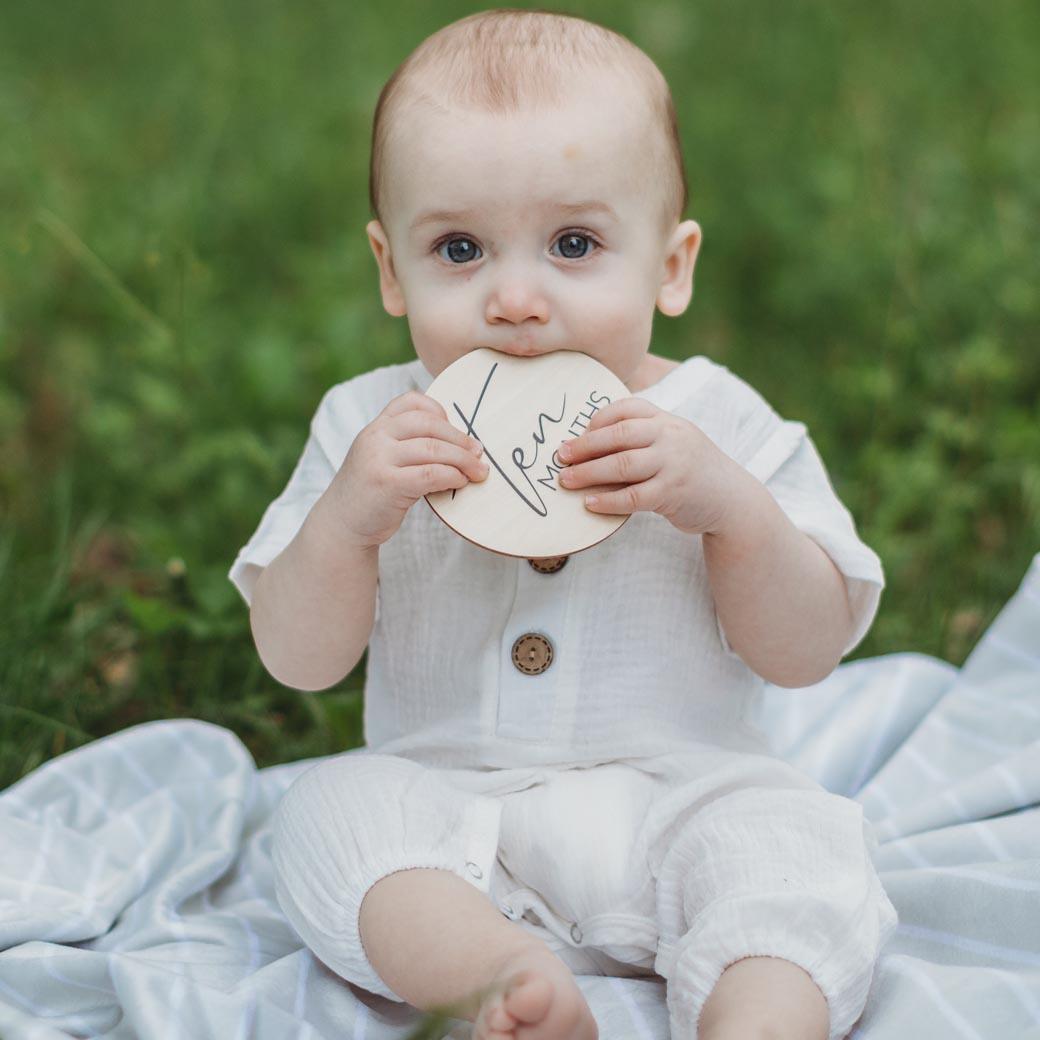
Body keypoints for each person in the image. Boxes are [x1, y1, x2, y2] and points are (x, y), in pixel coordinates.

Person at [228, 9, 898, 1040]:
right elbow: (296, 659)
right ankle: (504, 981)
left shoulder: (716, 426)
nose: (513, 298)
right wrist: (344, 524)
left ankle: (753, 1016)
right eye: (458, 248)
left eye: (573, 243)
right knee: (327, 817)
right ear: (389, 269)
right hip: (455, 824)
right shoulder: (371, 427)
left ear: (669, 267)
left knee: (798, 845)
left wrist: (727, 510)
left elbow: (805, 647)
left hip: (683, 804)